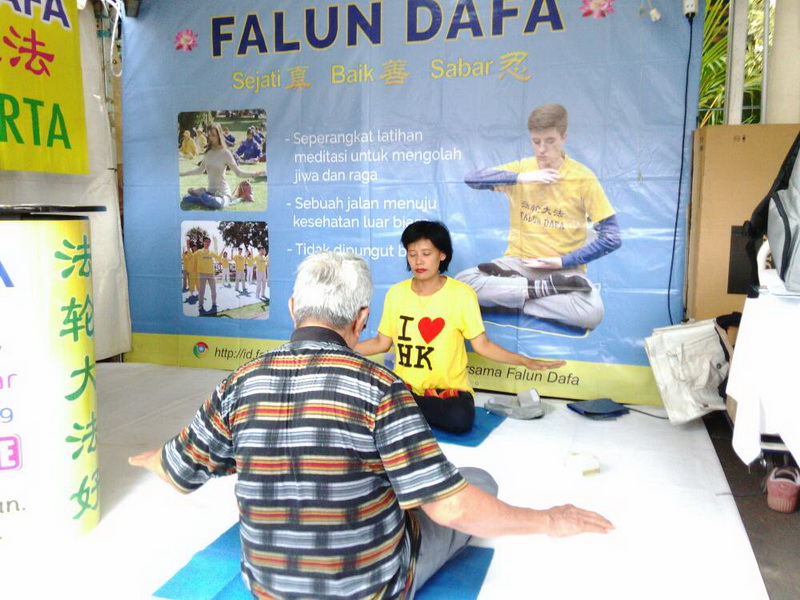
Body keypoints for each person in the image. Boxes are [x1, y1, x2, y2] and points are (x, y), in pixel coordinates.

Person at [129, 252, 613, 600]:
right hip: (371, 589)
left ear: (294, 309)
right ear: (362, 318)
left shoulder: (241, 381)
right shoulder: (380, 388)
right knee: (477, 480)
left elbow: (178, 471)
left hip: (268, 589)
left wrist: (153, 456)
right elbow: (452, 508)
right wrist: (550, 519)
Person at [356, 221, 565, 434]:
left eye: (426, 253)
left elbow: (483, 345)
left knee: (460, 418)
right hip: (406, 388)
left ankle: (403, 411)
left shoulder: (462, 294)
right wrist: (340, 348)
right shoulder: (396, 294)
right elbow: (381, 343)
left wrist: (526, 361)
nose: (418, 261)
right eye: (412, 254)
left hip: (448, 393)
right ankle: (404, 409)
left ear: (442, 255)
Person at [456, 103, 621, 331]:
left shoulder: (582, 178)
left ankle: (512, 296)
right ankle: (533, 290)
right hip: (517, 264)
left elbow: (611, 237)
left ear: (564, 138)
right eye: (536, 142)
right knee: (463, 284)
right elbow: (471, 178)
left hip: (563, 271)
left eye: (550, 141)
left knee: (591, 313)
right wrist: (521, 178)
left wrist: (563, 261)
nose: (542, 149)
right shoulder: (523, 168)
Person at [180, 123, 265, 210]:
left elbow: (238, 172)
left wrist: (255, 173)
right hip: (210, 192)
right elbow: (199, 170)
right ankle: (202, 194)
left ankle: (200, 194)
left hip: (223, 194)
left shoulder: (226, 153)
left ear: (219, 136)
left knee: (216, 203)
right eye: (209, 135)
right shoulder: (208, 153)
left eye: (213, 135)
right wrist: (182, 174)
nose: (211, 138)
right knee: (185, 199)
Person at [195, 236, 220, 314]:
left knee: (214, 291)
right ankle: (200, 305)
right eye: (206, 241)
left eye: (209, 241)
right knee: (201, 291)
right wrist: (188, 247)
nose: (207, 243)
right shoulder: (199, 252)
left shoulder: (211, 252)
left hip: (211, 274)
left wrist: (221, 253)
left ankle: (214, 304)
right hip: (201, 274)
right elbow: (191, 258)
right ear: (203, 242)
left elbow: (218, 258)